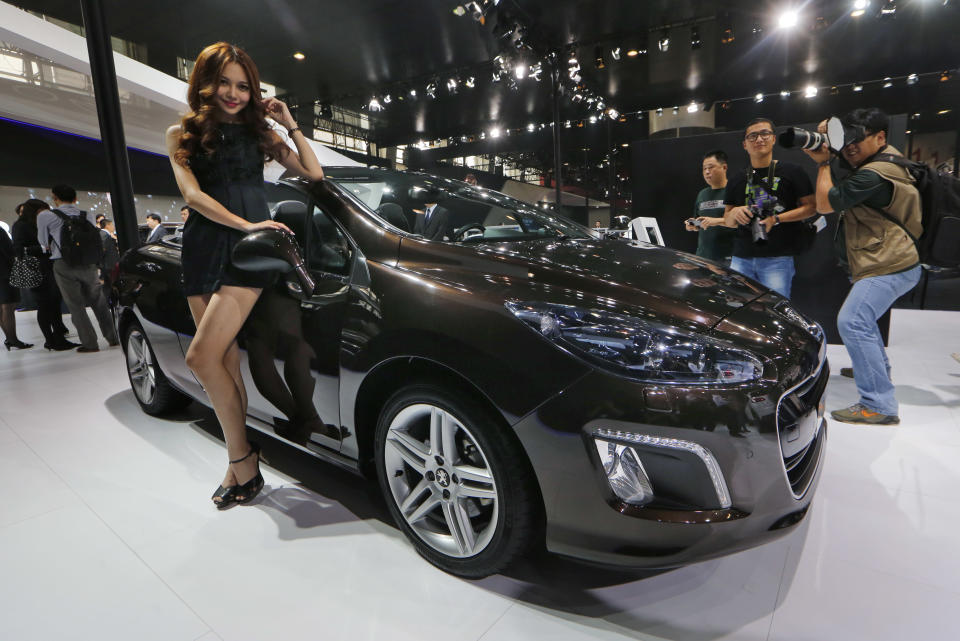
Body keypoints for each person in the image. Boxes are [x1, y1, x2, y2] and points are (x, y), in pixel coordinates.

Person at [167, 41, 324, 509]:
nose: (233, 93)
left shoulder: (261, 135)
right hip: (202, 246)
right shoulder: (181, 133)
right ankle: (240, 466)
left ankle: (242, 457)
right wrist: (245, 222)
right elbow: (192, 197)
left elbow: (314, 175)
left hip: (248, 254)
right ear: (204, 83)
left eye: (243, 85)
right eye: (224, 82)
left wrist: (289, 123)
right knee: (222, 363)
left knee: (199, 358)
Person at [803, 108, 922, 425]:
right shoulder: (885, 160)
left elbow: (826, 203)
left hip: (891, 264)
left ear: (880, 137)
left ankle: (879, 404)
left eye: (858, 139)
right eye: (847, 139)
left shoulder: (875, 173)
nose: (850, 147)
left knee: (853, 322)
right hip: (893, 259)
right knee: (863, 321)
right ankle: (873, 370)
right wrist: (831, 131)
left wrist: (824, 162)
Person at [722, 118, 816, 297]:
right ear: (744, 144)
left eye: (765, 133)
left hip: (777, 257)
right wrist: (734, 212)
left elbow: (811, 208)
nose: (759, 139)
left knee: (776, 309)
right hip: (742, 256)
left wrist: (776, 218)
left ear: (773, 139)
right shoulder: (737, 179)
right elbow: (728, 220)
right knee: (737, 309)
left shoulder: (793, 172)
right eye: (753, 136)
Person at [37, 184, 118, 353]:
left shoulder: (46, 215)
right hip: (88, 263)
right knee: (99, 301)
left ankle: (90, 344)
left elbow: (43, 243)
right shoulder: (86, 214)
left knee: (75, 305)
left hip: (63, 263)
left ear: (55, 198)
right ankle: (112, 338)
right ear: (75, 198)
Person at [13, 199, 76, 351]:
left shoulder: (39, 223)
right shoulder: (20, 226)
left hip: (50, 266)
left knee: (54, 303)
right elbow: (20, 249)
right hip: (36, 269)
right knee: (44, 305)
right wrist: (43, 248)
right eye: (43, 210)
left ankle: (59, 337)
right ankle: (50, 340)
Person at [686, 150, 736, 265]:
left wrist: (715, 221)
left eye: (711, 167)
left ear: (724, 167)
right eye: (704, 169)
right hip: (703, 257)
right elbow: (698, 221)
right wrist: (692, 224)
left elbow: (740, 222)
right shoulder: (702, 194)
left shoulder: (734, 190)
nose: (707, 172)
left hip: (728, 259)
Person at [0, 223, 32, 350]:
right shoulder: (1, 231)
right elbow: (9, 250)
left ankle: (10, 338)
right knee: (8, 306)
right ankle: (12, 339)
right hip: (4, 272)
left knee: (3, 307)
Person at [99, 218, 120, 287]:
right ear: (107, 225)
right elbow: (102, 251)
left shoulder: (104, 234)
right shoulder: (104, 235)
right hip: (108, 267)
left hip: (109, 266)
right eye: (112, 225)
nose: (113, 227)